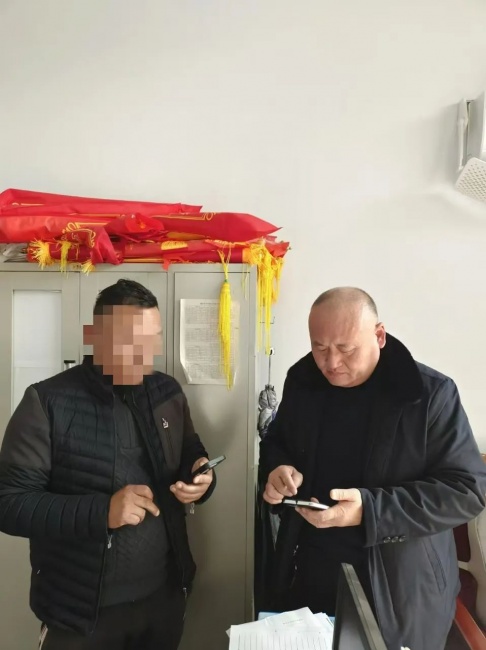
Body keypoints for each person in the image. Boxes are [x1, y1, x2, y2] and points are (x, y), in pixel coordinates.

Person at [260, 287, 486, 650]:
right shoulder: (304, 382)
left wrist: (370, 511)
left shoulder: (429, 394)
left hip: (400, 588)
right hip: (311, 575)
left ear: (379, 335)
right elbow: (277, 442)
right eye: (319, 347)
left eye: (346, 348)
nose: (331, 362)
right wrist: (277, 469)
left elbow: (467, 491)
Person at [0, 279, 216, 650]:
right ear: (97, 338)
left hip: (162, 601)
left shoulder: (167, 392)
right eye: (131, 341)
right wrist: (103, 512)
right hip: (79, 615)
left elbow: (190, 452)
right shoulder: (47, 402)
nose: (145, 355)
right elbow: (9, 503)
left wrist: (201, 477)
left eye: (152, 339)